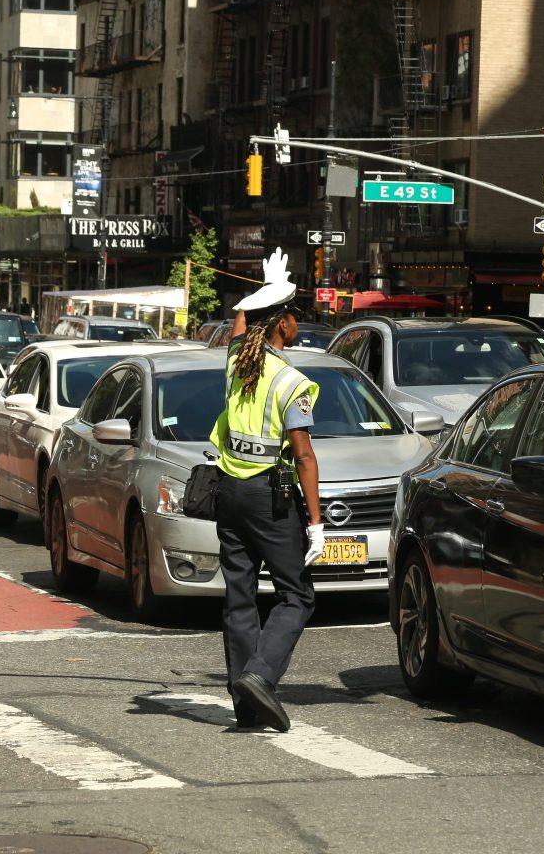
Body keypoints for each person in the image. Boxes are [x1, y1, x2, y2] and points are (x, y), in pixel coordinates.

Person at [209, 248, 325, 733]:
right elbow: (303, 457)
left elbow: (240, 324)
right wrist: (316, 524)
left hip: (228, 493)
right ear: (281, 325)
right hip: (268, 500)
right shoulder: (290, 382)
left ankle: (246, 703)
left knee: (240, 596)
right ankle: (260, 675)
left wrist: (259, 293)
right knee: (296, 596)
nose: (298, 323)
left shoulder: (240, 363)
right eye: (293, 315)